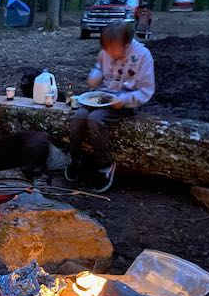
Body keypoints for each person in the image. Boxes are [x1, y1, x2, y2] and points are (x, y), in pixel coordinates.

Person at [66, 21, 155, 193]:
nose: (108, 53)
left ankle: (104, 165)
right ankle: (77, 158)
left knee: (95, 119)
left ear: (127, 44)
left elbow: (146, 90)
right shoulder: (107, 50)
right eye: (105, 48)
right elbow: (100, 67)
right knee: (78, 117)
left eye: (112, 49)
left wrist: (125, 99)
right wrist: (95, 77)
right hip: (102, 97)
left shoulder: (143, 56)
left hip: (127, 101)